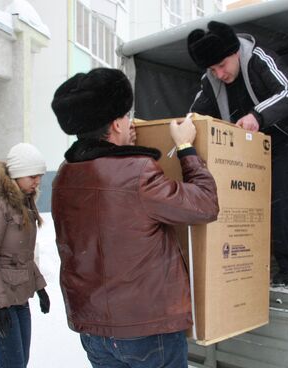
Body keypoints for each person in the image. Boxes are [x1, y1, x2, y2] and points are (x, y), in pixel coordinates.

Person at [50, 67, 220, 368]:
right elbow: (205, 205)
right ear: (116, 124)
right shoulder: (136, 171)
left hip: (93, 328)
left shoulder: (63, 176)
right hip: (146, 329)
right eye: (126, 117)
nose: (130, 122)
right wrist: (185, 147)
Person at [187, 21, 288, 286]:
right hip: (253, 144)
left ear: (235, 52)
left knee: (282, 189)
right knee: (235, 193)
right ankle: (239, 262)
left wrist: (257, 115)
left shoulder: (261, 58)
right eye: (212, 69)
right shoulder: (211, 79)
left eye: (222, 65)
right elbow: (196, 114)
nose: (219, 74)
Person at [0, 143, 50, 368]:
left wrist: (40, 287)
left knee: (19, 362)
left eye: (40, 176)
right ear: (16, 174)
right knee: (11, 363)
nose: (37, 181)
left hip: (18, 297)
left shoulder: (22, 201)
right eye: (32, 176)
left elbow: (21, 254)